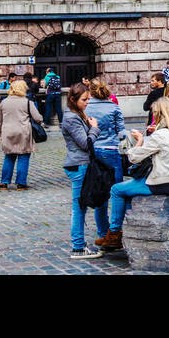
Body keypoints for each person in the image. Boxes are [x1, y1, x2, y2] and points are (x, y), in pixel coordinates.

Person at [99, 98, 169, 253]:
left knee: (117, 189)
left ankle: (114, 234)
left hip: (164, 183)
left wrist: (140, 140)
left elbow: (134, 157)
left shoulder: (161, 135)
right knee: (130, 189)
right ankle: (125, 228)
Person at [61, 81, 104, 259]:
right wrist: (94, 128)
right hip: (79, 165)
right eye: (84, 100)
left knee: (82, 206)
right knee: (79, 208)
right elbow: (85, 144)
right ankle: (78, 247)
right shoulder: (71, 117)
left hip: (81, 164)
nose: (88, 103)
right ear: (73, 99)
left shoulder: (77, 114)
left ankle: (79, 244)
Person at [85, 77, 126, 241]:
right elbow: (122, 134)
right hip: (111, 151)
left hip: (93, 152)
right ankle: (116, 230)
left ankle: (103, 232)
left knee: (99, 192)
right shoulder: (114, 107)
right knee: (117, 191)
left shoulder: (86, 108)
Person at [0, 78, 44, 189]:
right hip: (24, 133)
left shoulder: (4, 102)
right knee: (23, 157)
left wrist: (0, 134)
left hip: (8, 132)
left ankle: (4, 181)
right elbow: (38, 118)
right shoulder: (27, 102)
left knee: (9, 157)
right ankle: (21, 183)